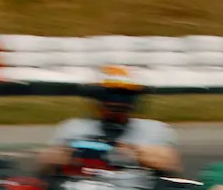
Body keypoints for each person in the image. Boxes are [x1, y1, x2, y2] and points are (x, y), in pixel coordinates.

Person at [39, 66, 180, 174]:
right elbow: (46, 161)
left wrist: (127, 151)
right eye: (110, 97)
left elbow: (169, 162)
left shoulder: (154, 130)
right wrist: (75, 152)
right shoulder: (74, 128)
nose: (117, 103)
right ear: (98, 100)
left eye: (124, 97)